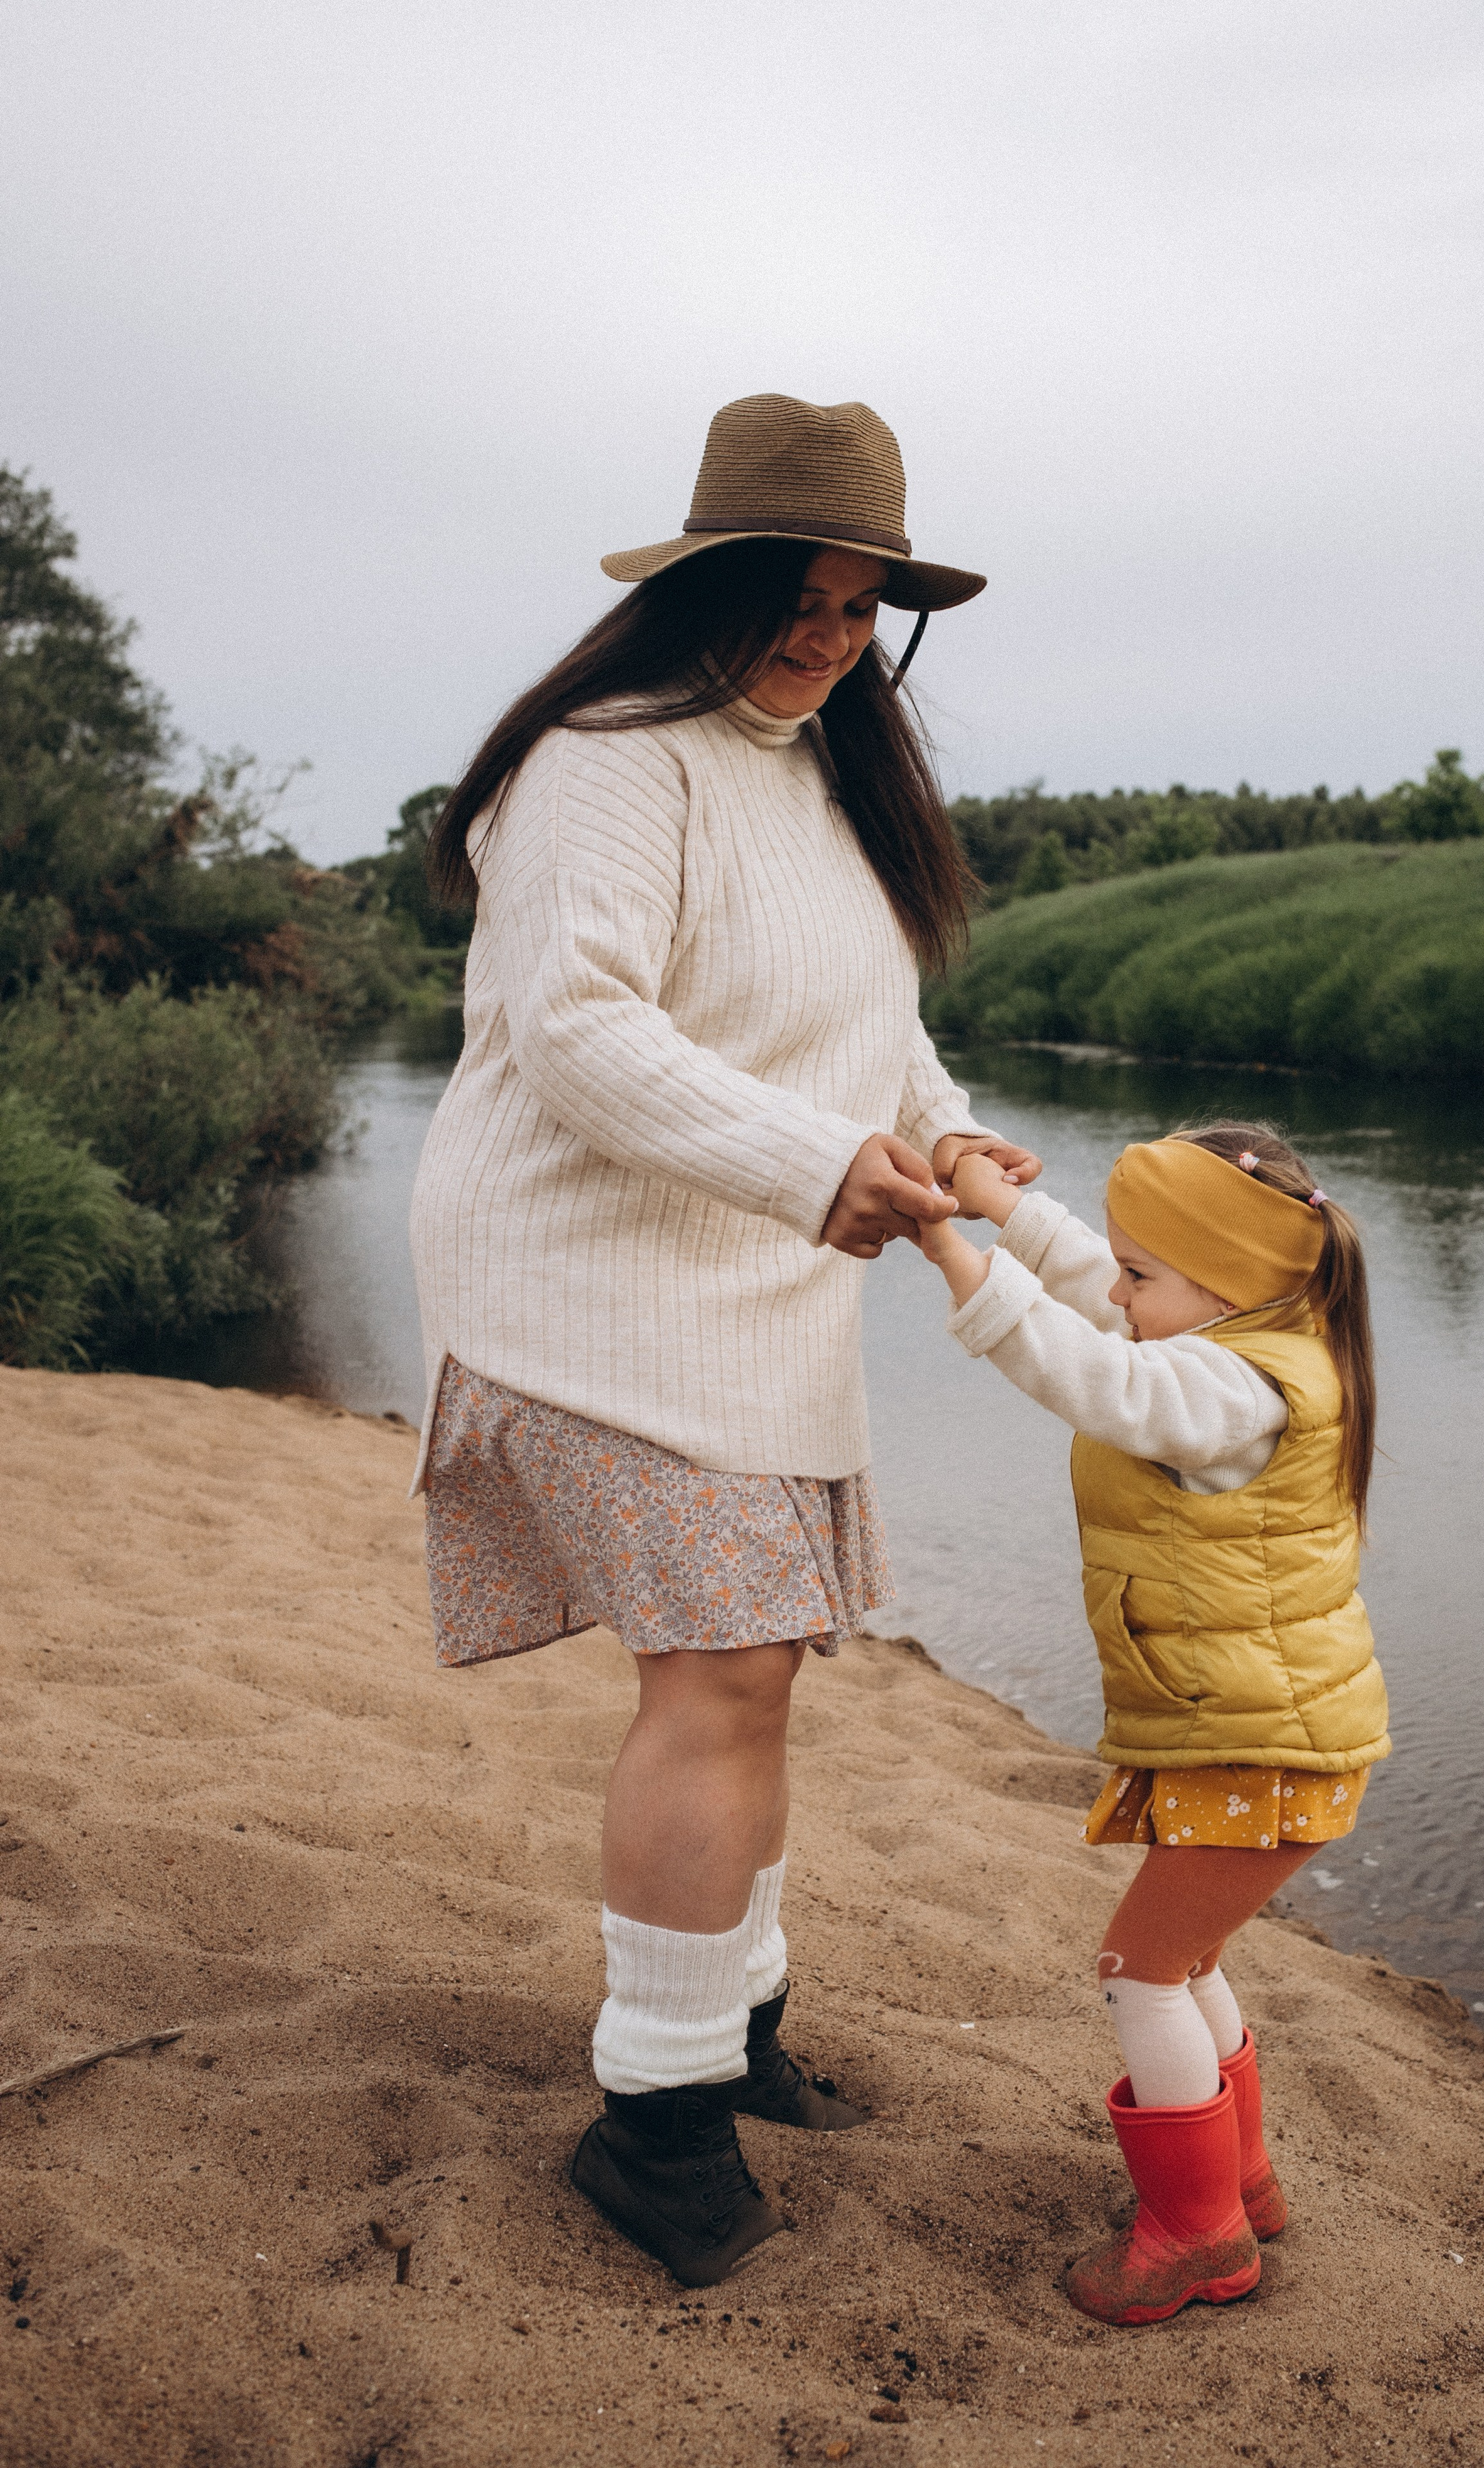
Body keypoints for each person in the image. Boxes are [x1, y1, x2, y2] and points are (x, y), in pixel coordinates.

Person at [409, 393, 1041, 2287]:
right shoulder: (610, 759)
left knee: (754, 1673)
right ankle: (658, 2119)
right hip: (587, 1279)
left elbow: (854, 1026)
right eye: (799, 594)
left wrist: (941, 1129)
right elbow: (583, 1031)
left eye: (863, 610)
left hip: (750, 1278)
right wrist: (810, 1163)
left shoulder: (818, 775)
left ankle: (730, 2029)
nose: (829, 638)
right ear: (709, 580)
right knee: (725, 1673)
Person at [916, 1121, 1389, 2325]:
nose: (1119, 1293)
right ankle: (1243, 2183)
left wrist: (946, 1251)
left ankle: (1195, 2236)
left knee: (1140, 1974)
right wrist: (987, 1198)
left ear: (1221, 1281)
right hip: (1258, 1731)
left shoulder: (1229, 1390)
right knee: (1186, 1962)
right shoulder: (1252, 1330)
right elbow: (1095, 1281)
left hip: (1257, 1742)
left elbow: (1104, 1379)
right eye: (1125, 1269)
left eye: (1144, 1276)